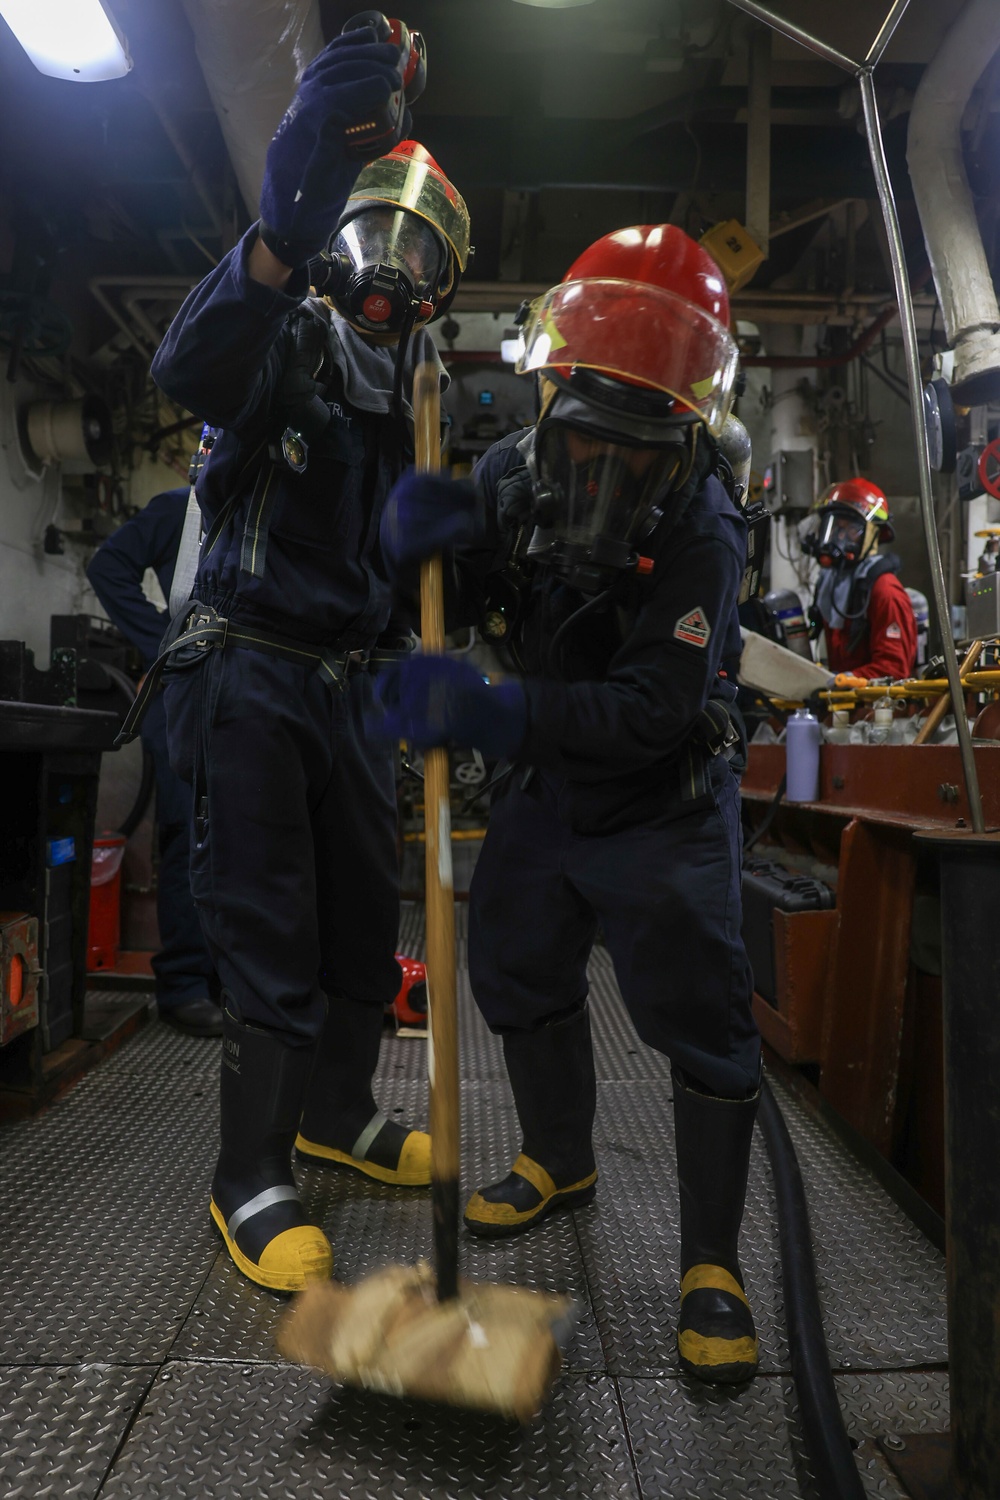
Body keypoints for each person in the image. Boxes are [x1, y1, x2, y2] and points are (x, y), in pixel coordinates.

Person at [371, 226, 762, 1386]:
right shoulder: (509, 471)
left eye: (633, 448)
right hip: (550, 795)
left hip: (659, 799)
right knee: (516, 965)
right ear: (552, 390)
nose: (600, 469)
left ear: (684, 432)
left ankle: (711, 1259)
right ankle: (558, 1158)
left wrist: (495, 716)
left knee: (698, 1012)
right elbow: (465, 585)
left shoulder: (705, 534)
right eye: (583, 429)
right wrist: (416, 547)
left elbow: (650, 709)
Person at [146, 26, 471, 1293]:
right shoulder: (281, 337)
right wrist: (279, 235)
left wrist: (425, 647)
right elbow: (190, 364)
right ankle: (248, 1174)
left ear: (443, 280)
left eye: (418, 257)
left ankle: (338, 1113)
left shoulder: (417, 399)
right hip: (247, 672)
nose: (390, 275)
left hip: (346, 689)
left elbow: (401, 578)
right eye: (373, 242)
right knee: (270, 924)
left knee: (356, 926)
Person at [87, 489, 221, 1037]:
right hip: (185, 694)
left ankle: (234, 982)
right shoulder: (182, 508)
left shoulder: (269, 505)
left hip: (249, 694)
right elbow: (108, 565)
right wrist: (166, 642)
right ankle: (185, 986)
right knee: (189, 836)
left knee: (247, 843)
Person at [805, 479, 917, 680]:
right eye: (835, 527)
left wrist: (843, 680)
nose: (839, 538)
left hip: (876, 708)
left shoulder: (885, 590)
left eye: (850, 530)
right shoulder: (830, 584)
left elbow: (893, 670)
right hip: (843, 705)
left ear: (873, 535)